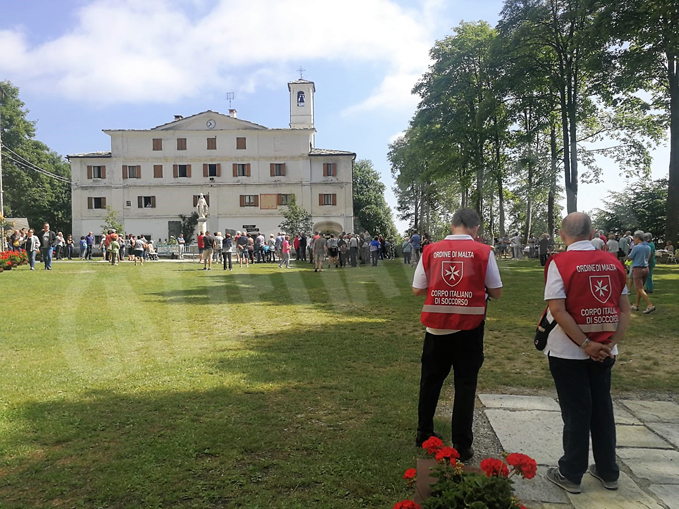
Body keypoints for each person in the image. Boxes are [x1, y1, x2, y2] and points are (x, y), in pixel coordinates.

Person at [543, 212, 631, 495]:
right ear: (592, 232)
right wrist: (609, 344)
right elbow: (625, 309)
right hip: (606, 349)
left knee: (577, 410)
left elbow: (557, 309)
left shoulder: (560, 262)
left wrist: (584, 344)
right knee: (602, 409)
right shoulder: (613, 262)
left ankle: (570, 472)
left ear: (562, 234)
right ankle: (608, 470)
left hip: (569, 350)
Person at [412, 208, 502, 462]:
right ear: (476, 228)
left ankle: (424, 433)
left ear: (452, 226)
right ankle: (462, 444)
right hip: (469, 328)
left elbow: (418, 289)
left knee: (430, 381)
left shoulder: (430, 250)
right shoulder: (484, 252)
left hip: (436, 327)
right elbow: (496, 292)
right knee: (465, 385)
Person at [627, 231, 655, 314]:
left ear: (637, 238)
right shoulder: (648, 247)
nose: (633, 241)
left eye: (634, 239)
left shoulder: (636, 247)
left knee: (639, 288)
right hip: (646, 268)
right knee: (640, 288)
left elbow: (629, 258)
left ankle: (650, 305)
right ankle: (636, 305)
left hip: (638, 269)